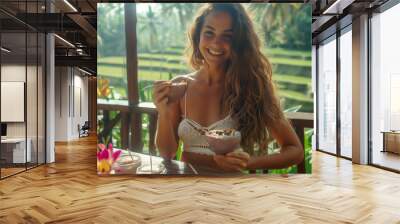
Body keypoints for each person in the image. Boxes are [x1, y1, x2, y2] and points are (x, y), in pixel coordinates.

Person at [153, 3, 303, 172]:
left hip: (230, 190)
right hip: (188, 187)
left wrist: (248, 163)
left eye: (228, 36)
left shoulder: (252, 87)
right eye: (209, 33)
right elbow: (167, 152)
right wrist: (163, 112)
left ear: (240, 42)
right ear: (198, 36)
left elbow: (295, 151)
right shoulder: (181, 87)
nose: (216, 43)